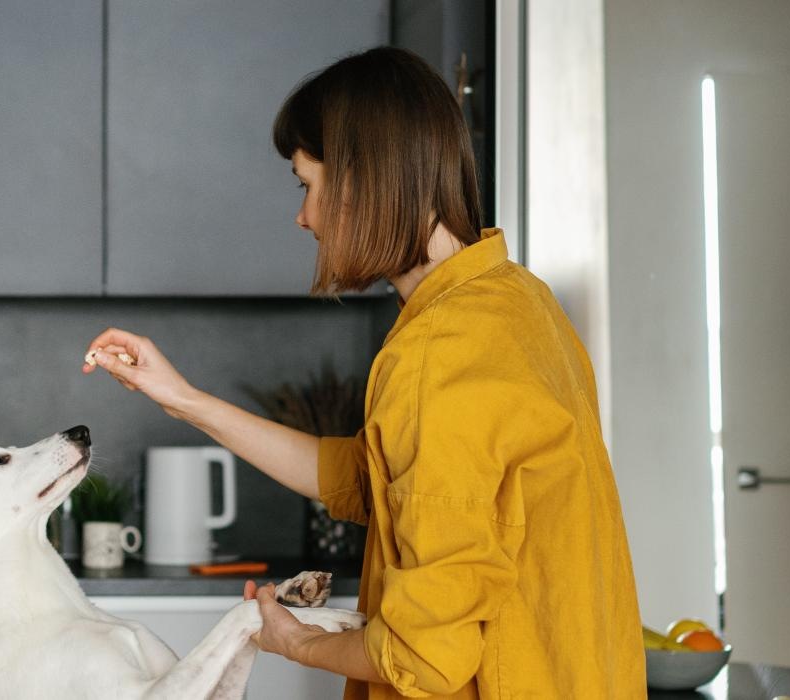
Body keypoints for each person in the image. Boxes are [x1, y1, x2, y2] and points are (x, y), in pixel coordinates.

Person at [81, 47, 644, 698]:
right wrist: (182, 400)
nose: (304, 217)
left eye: (306, 185)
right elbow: (367, 477)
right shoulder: (521, 302)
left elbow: (426, 656)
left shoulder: (438, 352)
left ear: (360, 180)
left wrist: (295, 640)